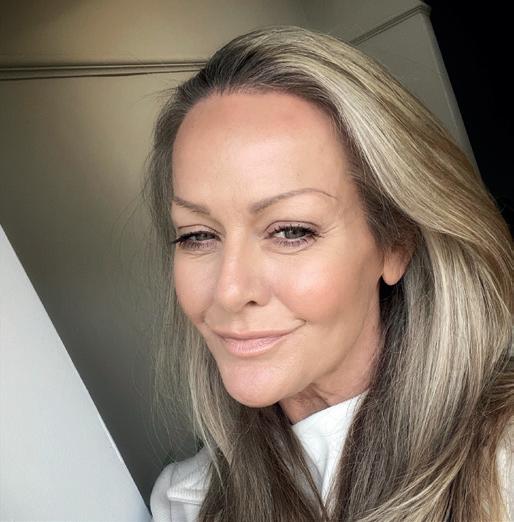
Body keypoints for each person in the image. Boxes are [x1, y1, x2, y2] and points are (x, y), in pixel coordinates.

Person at [143, 25, 514, 522]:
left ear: (394, 244)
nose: (229, 291)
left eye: (290, 231)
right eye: (197, 236)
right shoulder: (184, 503)